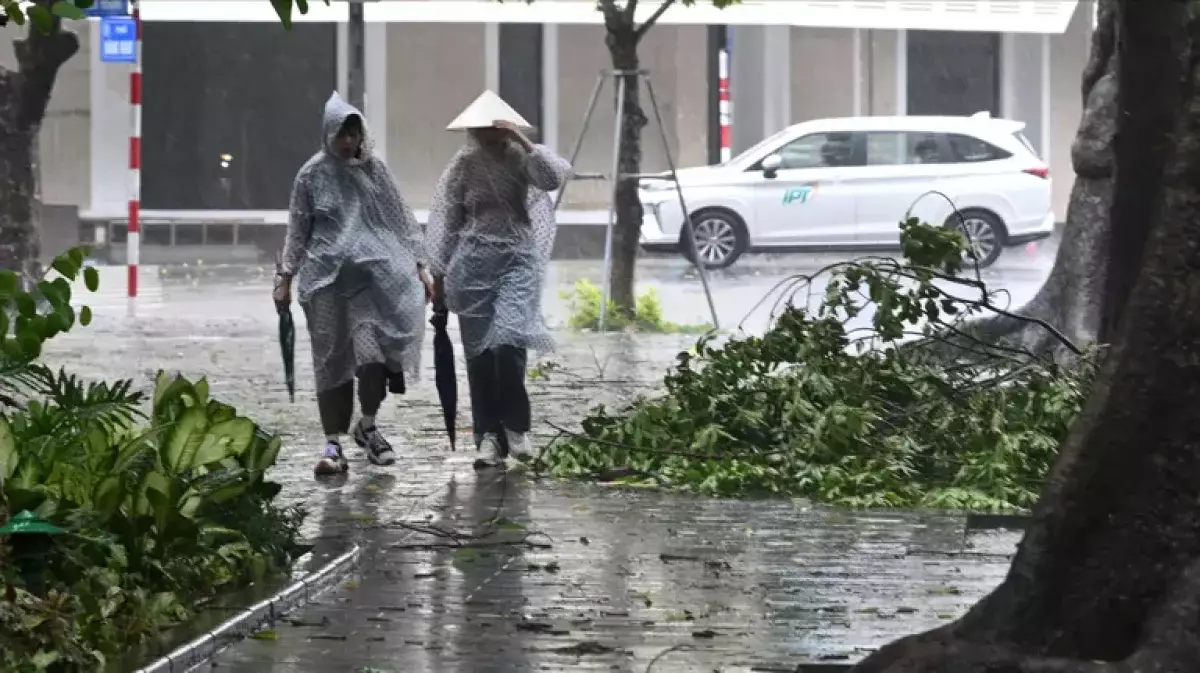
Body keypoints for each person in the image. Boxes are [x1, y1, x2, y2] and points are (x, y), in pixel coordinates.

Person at [274, 91, 432, 476]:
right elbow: (298, 231)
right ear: (328, 134)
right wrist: (285, 278)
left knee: (372, 359)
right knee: (332, 364)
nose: (348, 142)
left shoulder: (374, 171)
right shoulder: (310, 176)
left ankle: (369, 425)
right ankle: (333, 444)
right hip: (324, 284)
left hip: (368, 283)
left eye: (354, 134)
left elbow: (401, 220)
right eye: (341, 134)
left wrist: (422, 266)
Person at [426, 90, 572, 466]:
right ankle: (488, 436)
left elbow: (554, 177)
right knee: (480, 355)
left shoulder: (521, 158)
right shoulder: (462, 166)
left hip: (518, 259)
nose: (489, 133)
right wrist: (438, 277)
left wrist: (523, 140)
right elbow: (446, 223)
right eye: (483, 127)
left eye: (496, 126)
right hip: (472, 266)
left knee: (508, 343)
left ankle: (517, 428)